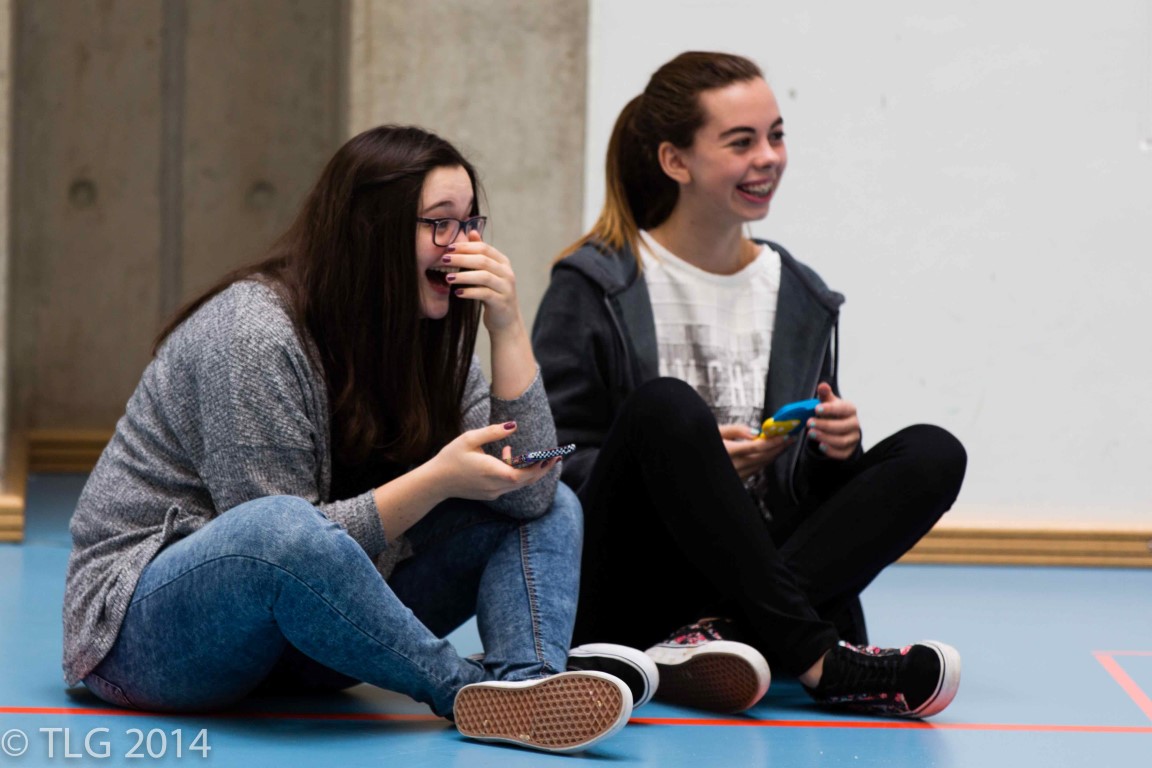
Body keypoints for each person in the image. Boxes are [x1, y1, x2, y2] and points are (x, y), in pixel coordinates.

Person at [62, 125, 657, 754]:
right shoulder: (253, 333)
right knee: (282, 527)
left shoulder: (426, 334)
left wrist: (507, 326)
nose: (465, 245)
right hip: (144, 634)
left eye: (470, 222)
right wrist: (436, 481)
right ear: (371, 230)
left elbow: (529, 492)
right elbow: (280, 551)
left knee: (550, 499)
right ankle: (465, 691)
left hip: (300, 644)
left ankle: (527, 686)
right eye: (441, 223)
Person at [532, 52, 967, 718]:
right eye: (741, 142)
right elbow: (548, 458)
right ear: (675, 161)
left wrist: (833, 451)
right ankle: (821, 662)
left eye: (776, 135)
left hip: (763, 575)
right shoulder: (595, 283)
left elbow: (804, 492)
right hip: (634, 580)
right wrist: (687, 460)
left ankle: (723, 637)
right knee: (667, 410)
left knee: (934, 452)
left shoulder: (799, 293)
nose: (769, 158)